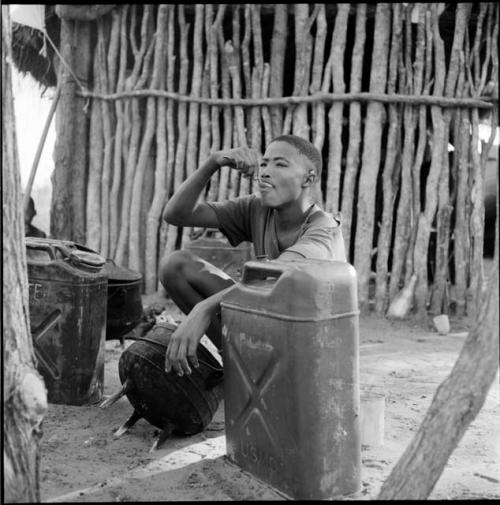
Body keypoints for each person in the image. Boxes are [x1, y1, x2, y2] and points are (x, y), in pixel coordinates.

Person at [160, 134, 346, 377]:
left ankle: (262, 375)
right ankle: (240, 367)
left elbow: (279, 275)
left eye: (280, 164)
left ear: (309, 178)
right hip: (267, 324)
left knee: (258, 285)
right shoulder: (257, 209)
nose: (266, 172)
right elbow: (177, 215)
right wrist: (212, 162)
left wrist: (203, 308)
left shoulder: (323, 229)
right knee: (175, 265)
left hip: (311, 348)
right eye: (265, 163)